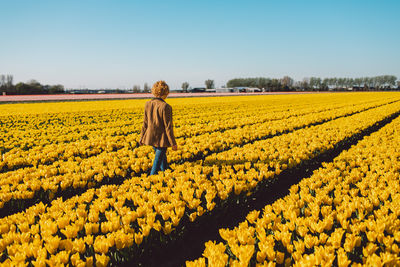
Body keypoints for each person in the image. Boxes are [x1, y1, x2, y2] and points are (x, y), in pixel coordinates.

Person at [139, 80, 178, 175]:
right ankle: (151, 178)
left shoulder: (147, 104)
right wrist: (173, 143)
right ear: (166, 92)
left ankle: (166, 174)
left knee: (162, 160)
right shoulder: (166, 107)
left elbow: (145, 123)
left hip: (150, 137)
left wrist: (141, 137)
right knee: (157, 163)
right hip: (162, 140)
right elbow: (168, 127)